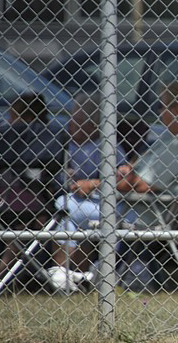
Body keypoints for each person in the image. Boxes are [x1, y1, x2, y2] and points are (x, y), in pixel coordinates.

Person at [116, 79, 178, 290]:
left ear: (175, 109)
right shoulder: (171, 137)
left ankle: (70, 277)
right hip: (135, 204)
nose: (159, 112)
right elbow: (134, 171)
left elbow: (140, 185)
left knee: (71, 208)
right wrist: (126, 172)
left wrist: (95, 184)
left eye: (161, 105)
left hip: (147, 210)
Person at [45, 92, 131, 293]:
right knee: (67, 218)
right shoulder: (67, 145)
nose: (70, 125)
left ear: (94, 125)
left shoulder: (107, 146)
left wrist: (92, 183)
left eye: (77, 121)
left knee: (64, 207)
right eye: (71, 119)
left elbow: (123, 178)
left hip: (105, 204)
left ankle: (63, 274)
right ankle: (72, 277)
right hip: (79, 202)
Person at [0, 93, 63, 282]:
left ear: (27, 116)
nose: (10, 121)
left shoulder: (0, 137)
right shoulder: (52, 137)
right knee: (21, 229)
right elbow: (57, 180)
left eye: (12, 116)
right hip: (37, 207)